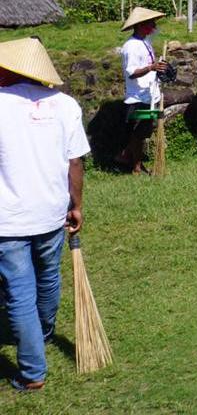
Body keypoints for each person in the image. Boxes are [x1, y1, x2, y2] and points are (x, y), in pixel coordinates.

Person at [0, 37, 91, 392]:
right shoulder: (65, 105)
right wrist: (77, 204)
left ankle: (33, 371)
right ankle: (44, 331)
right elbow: (75, 163)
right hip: (52, 211)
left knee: (19, 290)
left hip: (8, 218)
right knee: (48, 274)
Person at [116, 6, 167, 174]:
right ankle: (136, 166)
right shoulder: (130, 47)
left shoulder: (146, 42)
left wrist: (157, 67)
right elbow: (131, 73)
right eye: (150, 23)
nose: (153, 25)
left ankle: (125, 156)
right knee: (137, 133)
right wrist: (151, 67)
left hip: (149, 94)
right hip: (137, 96)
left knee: (144, 131)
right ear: (140, 25)